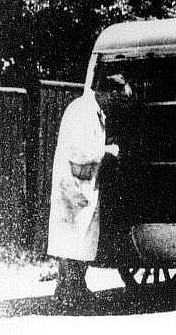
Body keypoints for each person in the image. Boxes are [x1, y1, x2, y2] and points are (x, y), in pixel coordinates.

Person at [48, 74, 131, 306]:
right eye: (116, 98)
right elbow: (78, 150)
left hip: (83, 185)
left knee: (80, 240)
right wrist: (107, 150)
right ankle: (69, 291)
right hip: (73, 186)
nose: (116, 104)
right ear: (108, 92)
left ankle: (72, 288)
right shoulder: (82, 111)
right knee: (73, 240)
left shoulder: (94, 111)